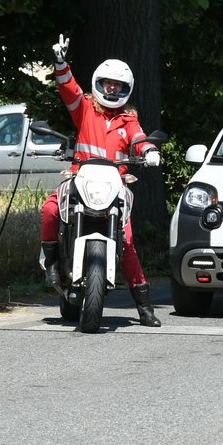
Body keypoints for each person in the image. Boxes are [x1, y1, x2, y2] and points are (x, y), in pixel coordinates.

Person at [39, 34, 164, 327]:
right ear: (99, 84)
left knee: (128, 240)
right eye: (108, 83)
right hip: (79, 177)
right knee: (49, 210)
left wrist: (150, 151)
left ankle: (144, 307)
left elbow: (139, 139)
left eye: (117, 85)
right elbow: (68, 88)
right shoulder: (84, 109)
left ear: (125, 89)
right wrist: (60, 63)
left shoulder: (127, 119)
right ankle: (53, 264)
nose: (112, 88)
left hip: (115, 185)